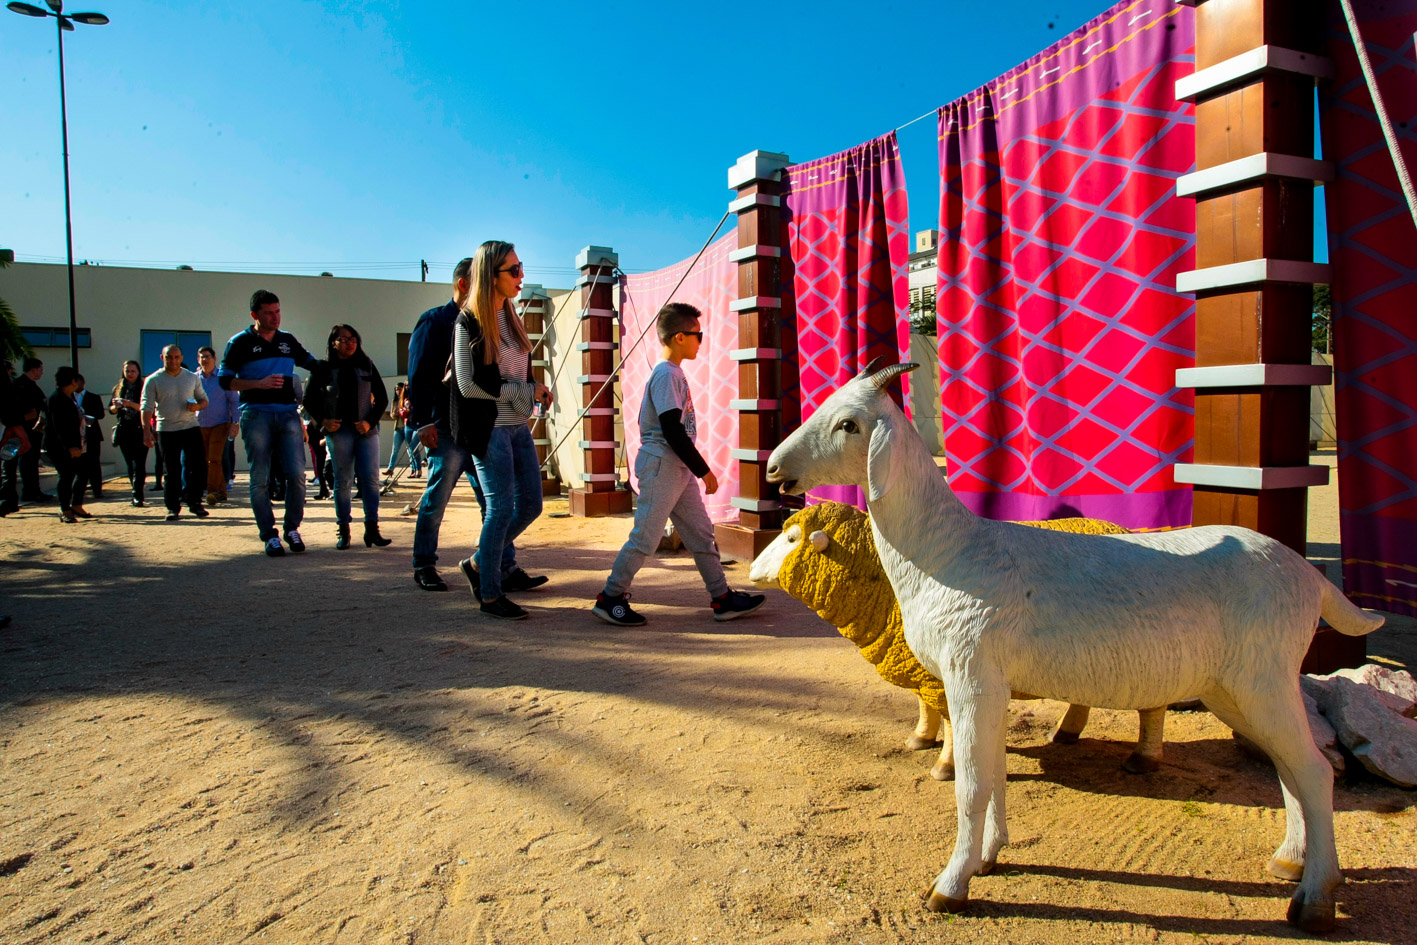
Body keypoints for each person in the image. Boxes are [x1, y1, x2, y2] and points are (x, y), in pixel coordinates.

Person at [591, 303, 765, 626]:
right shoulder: (665, 374)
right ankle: (610, 597)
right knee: (646, 536)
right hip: (662, 467)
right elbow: (672, 428)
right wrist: (704, 470)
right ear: (681, 337)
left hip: (676, 469)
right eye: (699, 335)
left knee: (700, 534)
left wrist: (692, 470)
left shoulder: (673, 372)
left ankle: (722, 598)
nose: (702, 340)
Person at [450, 240, 551, 620]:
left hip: (516, 425)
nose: (521, 275)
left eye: (521, 267)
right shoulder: (468, 321)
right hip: (488, 428)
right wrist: (525, 390)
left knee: (531, 505)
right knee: (499, 509)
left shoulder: (511, 315)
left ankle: (479, 563)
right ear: (490, 275)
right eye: (513, 270)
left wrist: (536, 389)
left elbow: (516, 371)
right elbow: (467, 385)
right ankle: (490, 593)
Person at [407, 258, 487, 591]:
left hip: (479, 428)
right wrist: (422, 422)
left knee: (492, 501)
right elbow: (419, 374)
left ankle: (497, 564)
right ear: (464, 284)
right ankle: (424, 564)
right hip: (444, 427)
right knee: (436, 499)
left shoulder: (483, 323)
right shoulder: (434, 322)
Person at [219, 289, 318, 557]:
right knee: (259, 478)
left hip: (288, 414)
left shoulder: (287, 340)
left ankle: (292, 528)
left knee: (297, 475)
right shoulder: (238, 342)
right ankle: (269, 535)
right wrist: (257, 384)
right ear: (255, 315)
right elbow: (224, 380)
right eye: (268, 313)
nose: (275, 318)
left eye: (278, 312)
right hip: (256, 414)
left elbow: (314, 365)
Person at [304, 323, 391, 549]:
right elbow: (308, 400)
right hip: (339, 432)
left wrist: (369, 422)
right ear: (333, 343)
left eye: (353, 338)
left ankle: (372, 529)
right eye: (343, 339)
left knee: (371, 480)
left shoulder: (366, 365)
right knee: (342, 482)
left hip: (366, 432)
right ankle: (343, 529)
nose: (349, 342)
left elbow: (382, 398)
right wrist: (323, 421)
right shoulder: (323, 368)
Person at [141, 344, 209, 521]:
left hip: (190, 427)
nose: (173, 360)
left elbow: (203, 399)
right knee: (171, 470)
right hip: (167, 429)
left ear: (181, 358)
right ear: (162, 358)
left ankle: (194, 502)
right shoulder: (153, 380)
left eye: (177, 357)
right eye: (169, 357)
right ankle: (172, 507)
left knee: (198, 466)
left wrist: (197, 406)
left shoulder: (191, 377)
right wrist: (146, 431)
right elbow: (146, 407)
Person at [44, 365, 90, 523]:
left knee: (83, 474)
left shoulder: (69, 397)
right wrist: (69, 447)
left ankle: (76, 504)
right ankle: (65, 509)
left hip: (75, 445)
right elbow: (58, 427)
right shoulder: (57, 399)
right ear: (72, 381)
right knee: (66, 476)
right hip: (61, 447)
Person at [195, 346, 240, 505]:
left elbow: (234, 400)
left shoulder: (223, 378)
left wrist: (235, 422)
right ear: (198, 360)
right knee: (206, 459)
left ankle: (212, 491)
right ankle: (221, 492)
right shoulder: (194, 379)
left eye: (207, 356)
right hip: (200, 425)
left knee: (214, 458)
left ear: (214, 358)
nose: (204, 360)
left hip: (221, 424)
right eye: (201, 357)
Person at [13, 357, 52, 505]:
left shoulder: (30, 385)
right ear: (34, 369)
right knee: (27, 461)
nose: (42, 372)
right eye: (40, 369)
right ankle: (29, 491)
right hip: (25, 429)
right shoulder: (21, 385)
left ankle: (34, 490)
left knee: (32, 460)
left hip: (34, 429)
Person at [109, 360, 149, 506]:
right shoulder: (119, 388)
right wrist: (115, 406)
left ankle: (138, 494)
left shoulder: (144, 387)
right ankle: (135, 491)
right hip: (124, 430)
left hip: (140, 429)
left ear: (138, 372)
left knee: (139, 464)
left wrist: (130, 404)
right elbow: (110, 410)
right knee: (130, 463)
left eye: (133, 371)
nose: (130, 374)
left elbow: (147, 408)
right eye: (127, 371)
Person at [0, 360, 33, 517]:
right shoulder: (11, 387)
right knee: (8, 467)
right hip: (9, 429)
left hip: (9, 429)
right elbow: (10, 408)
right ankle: (7, 500)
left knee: (8, 467)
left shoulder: (12, 386)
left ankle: (9, 501)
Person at [76, 374, 106, 499]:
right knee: (79, 464)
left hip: (92, 434)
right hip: (76, 435)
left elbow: (100, 414)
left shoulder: (93, 397)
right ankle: (79, 490)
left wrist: (86, 416)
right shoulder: (68, 397)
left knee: (94, 463)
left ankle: (97, 490)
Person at [385, 381, 422, 479]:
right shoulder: (398, 400)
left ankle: (416, 469)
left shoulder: (414, 396)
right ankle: (391, 469)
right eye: (396, 389)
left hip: (414, 424)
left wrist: (409, 410)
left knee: (412, 448)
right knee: (396, 450)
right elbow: (393, 415)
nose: (398, 391)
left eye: (399, 389)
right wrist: (397, 413)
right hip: (403, 426)